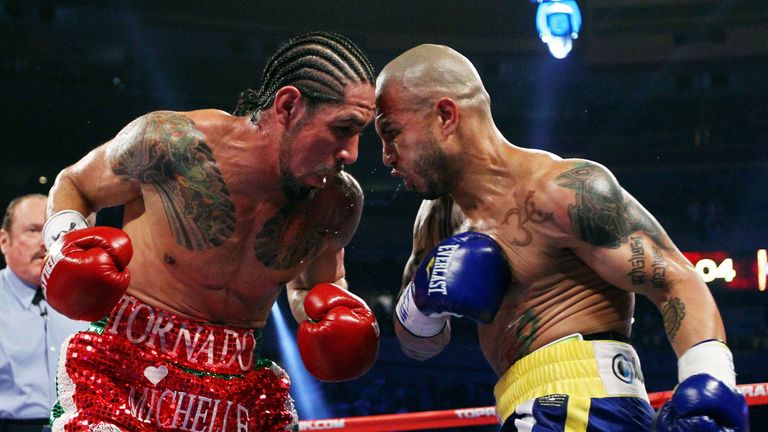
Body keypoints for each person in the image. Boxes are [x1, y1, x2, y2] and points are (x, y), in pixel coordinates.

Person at [375, 44, 749, 431]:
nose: (386, 156)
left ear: (445, 116)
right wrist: (420, 304)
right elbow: (418, 345)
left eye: (392, 132)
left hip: (586, 404)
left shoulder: (562, 190)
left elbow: (675, 279)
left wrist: (707, 381)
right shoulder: (435, 220)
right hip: (525, 408)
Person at [40, 31, 380, 432]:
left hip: (236, 391)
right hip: (127, 369)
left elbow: (315, 288)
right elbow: (75, 184)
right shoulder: (173, 144)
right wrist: (65, 247)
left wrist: (337, 312)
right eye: (343, 129)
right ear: (289, 105)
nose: (352, 153)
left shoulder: (336, 202)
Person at [0, 194, 89, 431]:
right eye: (32, 230)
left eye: (53, 232)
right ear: (3, 241)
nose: (45, 242)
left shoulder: (87, 300)